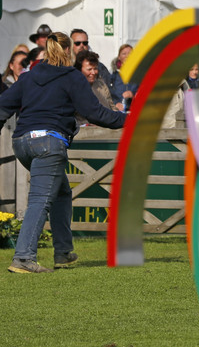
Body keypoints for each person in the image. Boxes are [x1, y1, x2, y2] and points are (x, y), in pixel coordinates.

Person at [0, 32, 126, 273]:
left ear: (47, 51)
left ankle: (63, 252)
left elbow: (2, 106)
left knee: (60, 192)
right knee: (40, 199)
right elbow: (96, 114)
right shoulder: (72, 77)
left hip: (22, 143)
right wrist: (128, 120)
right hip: (49, 142)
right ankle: (24, 258)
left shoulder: (28, 77)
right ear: (68, 52)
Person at [74, 51, 117, 126]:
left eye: (95, 68)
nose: (93, 72)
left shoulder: (101, 84)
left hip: (108, 128)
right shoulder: (73, 88)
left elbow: (112, 107)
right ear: (79, 70)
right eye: (89, 69)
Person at [110, 44, 139, 112]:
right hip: (117, 110)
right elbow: (108, 92)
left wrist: (133, 94)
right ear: (119, 57)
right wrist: (116, 103)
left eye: (130, 53)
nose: (127, 56)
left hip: (134, 109)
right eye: (124, 54)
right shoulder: (113, 73)